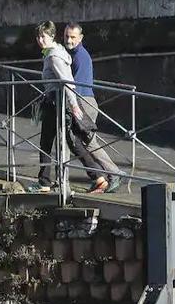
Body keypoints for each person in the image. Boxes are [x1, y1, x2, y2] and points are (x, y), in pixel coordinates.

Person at [34, 21, 115, 195]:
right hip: (58, 101)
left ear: (52, 37)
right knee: (71, 142)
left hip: (61, 102)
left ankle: (106, 175)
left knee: (70, 142)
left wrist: (74, 105)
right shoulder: (58, 53)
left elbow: (68, 82)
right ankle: (92, 177)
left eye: (44, 36)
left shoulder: (55, 56)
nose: (40, 40)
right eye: (38, 36)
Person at [64, 22, 122, 193]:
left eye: (73, 37)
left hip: (84, 102)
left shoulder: (80, 56)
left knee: (88, 142)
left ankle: (114, 173)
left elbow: (75, 85)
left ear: (80, 38)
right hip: (82, 101)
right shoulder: (72, 54)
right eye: (67, 36)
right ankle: (101, 177)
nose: (69, 40)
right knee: (82, 141)